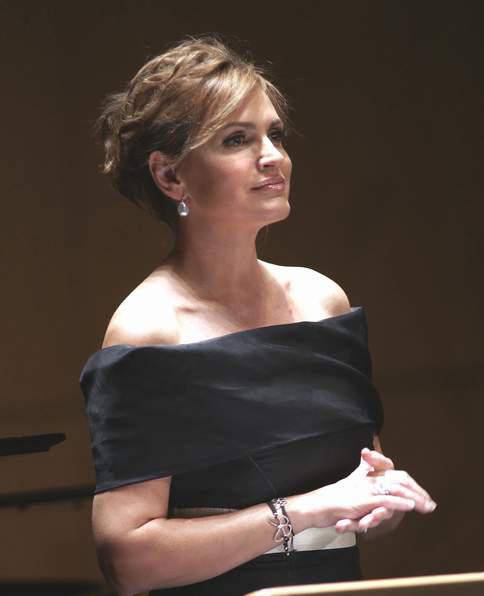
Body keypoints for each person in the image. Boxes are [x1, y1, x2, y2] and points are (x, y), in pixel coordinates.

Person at [80, 35, 437, 596]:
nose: (272, 156)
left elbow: (350, 503)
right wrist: (305, 510)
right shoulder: (151, 330)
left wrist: (380, 501)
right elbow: (129, 561)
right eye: (237, 140)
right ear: (171, 177)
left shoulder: (323, 301)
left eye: (276, 134)